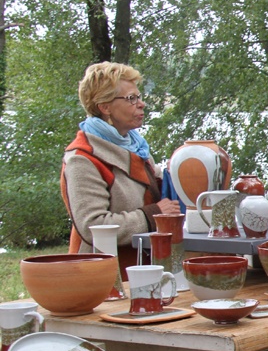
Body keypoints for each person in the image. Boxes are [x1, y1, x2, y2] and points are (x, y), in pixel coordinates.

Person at [61, 62, 180, 277]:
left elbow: (151, 195)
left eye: (139, 97)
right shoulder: (83, 159)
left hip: (143, 270)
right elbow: (93, 226)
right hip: (104, 277)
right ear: (105, 107)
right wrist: (154, 214)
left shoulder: (136, 147)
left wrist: (175, 178)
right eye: (131, 99)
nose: (141, 104)